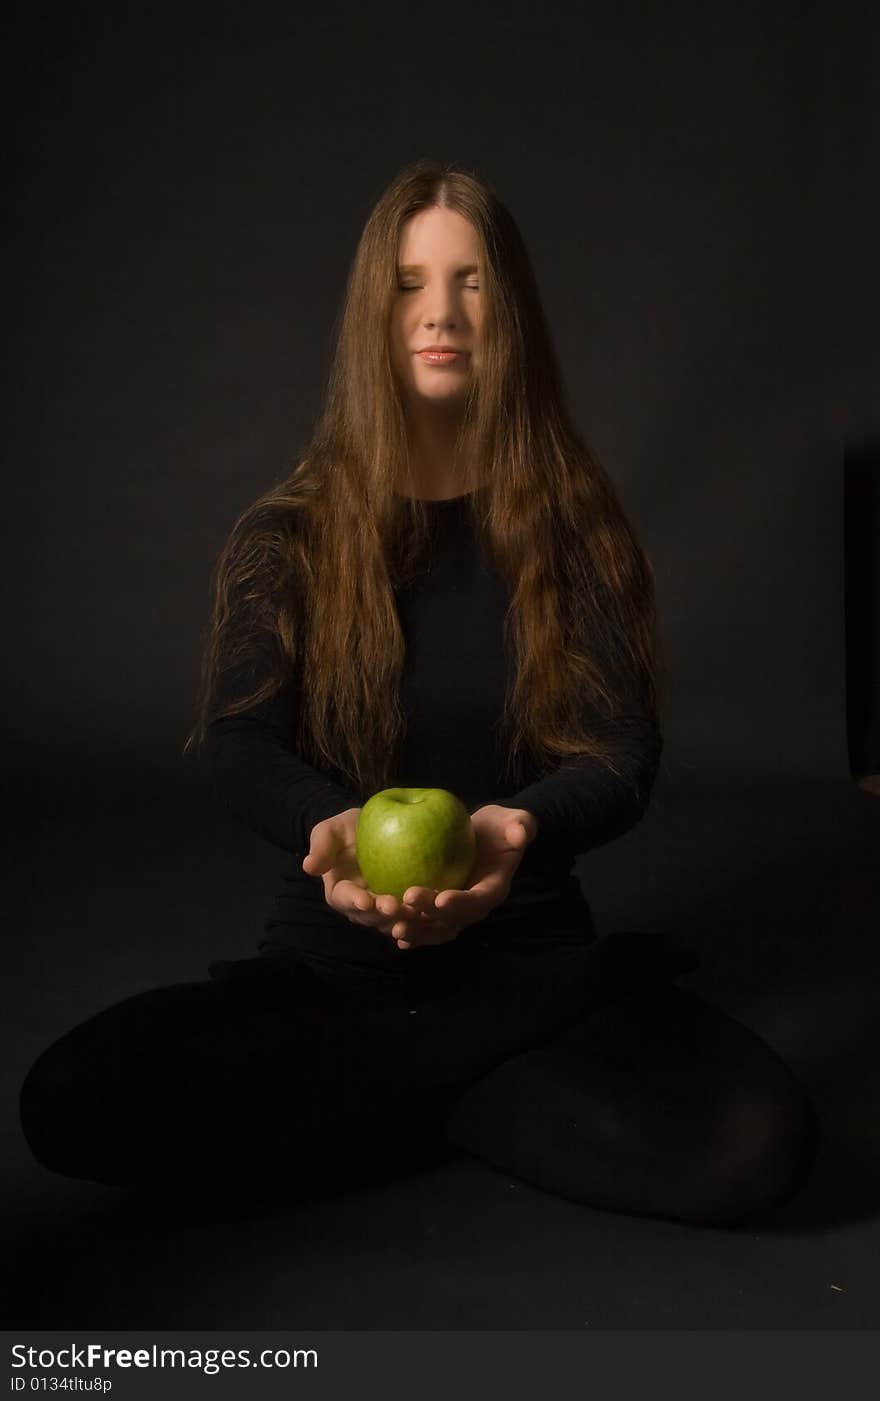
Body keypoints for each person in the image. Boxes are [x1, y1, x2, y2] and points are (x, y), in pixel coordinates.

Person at [19, 158, 818, 1224]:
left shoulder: (575, 530)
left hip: (528, 960)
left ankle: (376, 1089)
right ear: (373, 312)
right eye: (409, 282)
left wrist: (515, 834)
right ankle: (451, 1077)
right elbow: (239, 743)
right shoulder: (289, 533)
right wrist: (334, 831)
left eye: (472, 281)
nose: (440, 312)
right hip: (331, 967)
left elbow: (620, 757)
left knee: (753, 1150)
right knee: (68, 1103)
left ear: (510, 310)